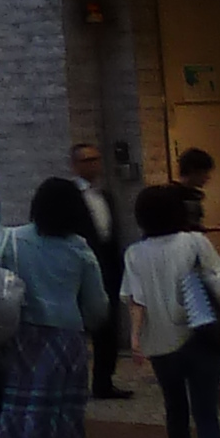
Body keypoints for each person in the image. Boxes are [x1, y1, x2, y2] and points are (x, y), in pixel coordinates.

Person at [0, 176, 109, 438]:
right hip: (67, 338)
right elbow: (97, 305)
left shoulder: (13, 240)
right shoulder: (81, 250)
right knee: (64, 409)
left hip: (25, 336)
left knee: (29, 404)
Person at [124, 178, 220, 438]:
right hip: (201, 335)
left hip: (161, 344)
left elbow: (137, 300)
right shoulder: (194, 242)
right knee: (206, 414)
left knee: (175, 413)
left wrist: (135, 339)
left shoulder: (134, 253)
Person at [68, 144, 128, 400]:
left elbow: (111, 234)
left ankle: (104, 381)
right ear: (76, 165)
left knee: (108, 326)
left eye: (96, 159)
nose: (94, 165)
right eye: (87, 160)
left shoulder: (104, 195)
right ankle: (74, 382)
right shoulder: (71, 196)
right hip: (80, 268)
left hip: (107, 266)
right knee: (80, 328)